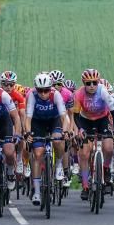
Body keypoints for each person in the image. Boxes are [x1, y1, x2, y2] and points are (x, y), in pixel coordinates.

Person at [24, 73, 69, 206]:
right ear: (36, 89)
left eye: (46, 90)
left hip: (54, 120)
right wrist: (27, 133)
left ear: (51, 88)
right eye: (40, 91)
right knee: (38, 154)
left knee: (57, 140)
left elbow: (64, 117)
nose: (43, 94)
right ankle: (37, 192)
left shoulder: (56, 94)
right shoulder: (31, 95)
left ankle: (59, 164)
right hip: (38, 123)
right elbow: (28, 119)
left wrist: (65, 131)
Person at [73, 69, 114, 200]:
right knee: (84, 154)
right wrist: (80, 129)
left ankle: (106, 168)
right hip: (86, 121)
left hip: (103, 119)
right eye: (88, 83)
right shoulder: (79, 94)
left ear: (98, 82)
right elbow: (75, 115)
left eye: (94, 83)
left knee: (108, 148)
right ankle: (85, 186)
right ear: (84, 84)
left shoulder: (103, 91)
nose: (92, 86)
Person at [50, 70, 74, 188]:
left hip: (62, 118)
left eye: (59, 84)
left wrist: (70, 130)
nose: (56, 87)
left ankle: (64, 169)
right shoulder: (44, 92)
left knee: (63, 141)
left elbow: (70, 115)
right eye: (53, 84)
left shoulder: (67, 94)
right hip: (47, 118)